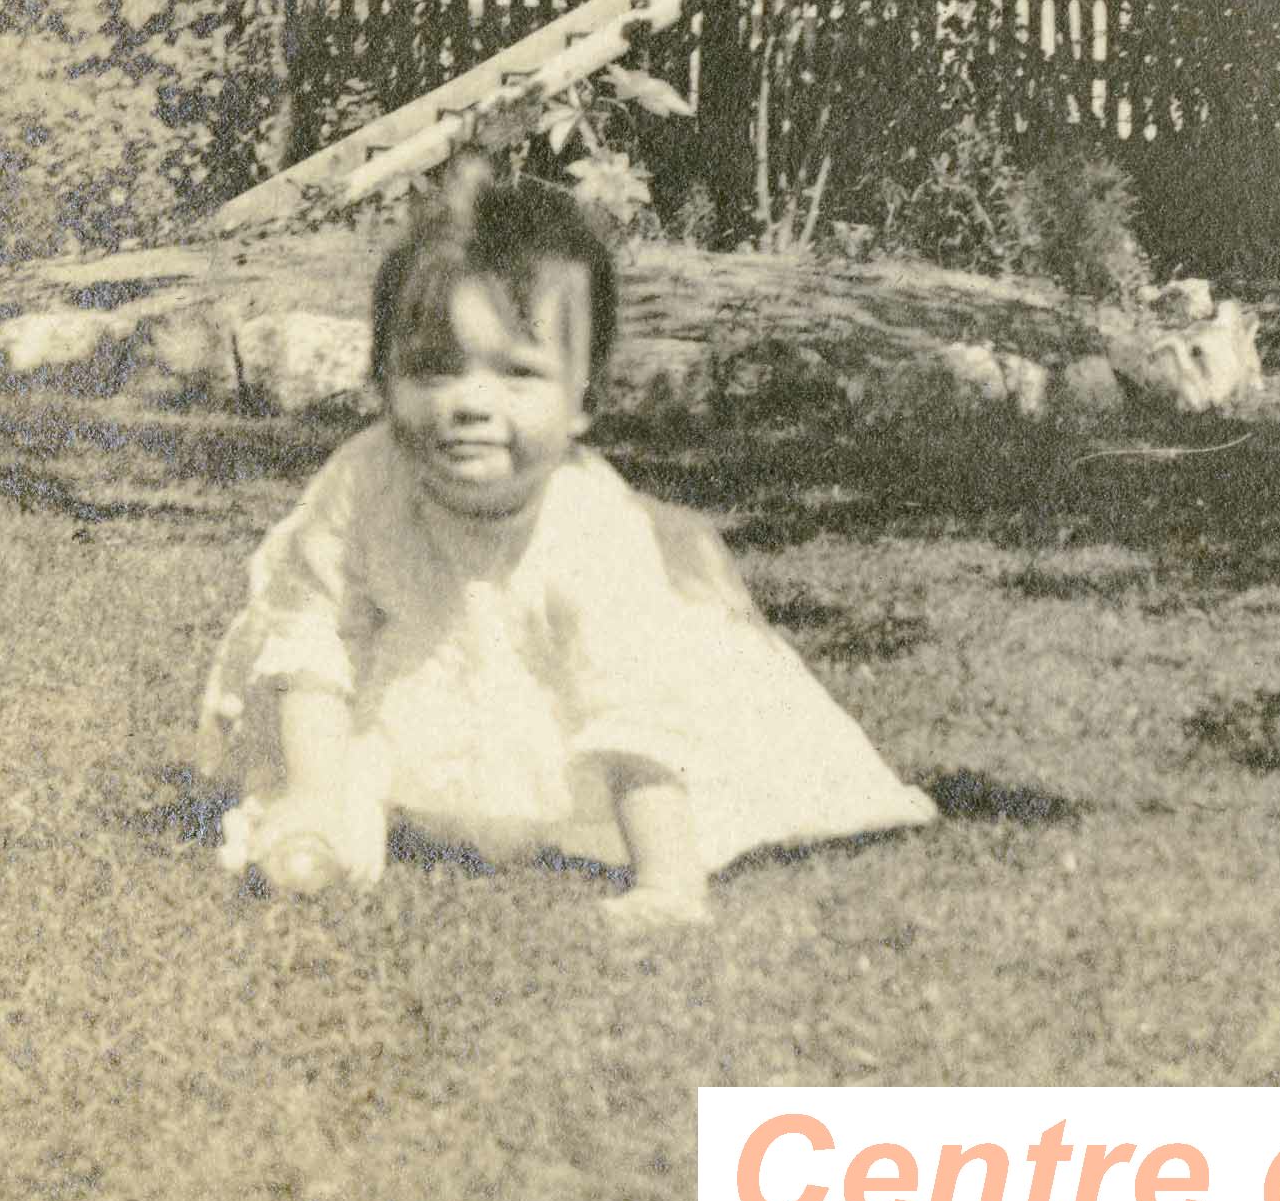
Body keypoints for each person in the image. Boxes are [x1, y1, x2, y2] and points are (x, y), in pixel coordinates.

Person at [192, 157, 938, 923]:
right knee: (329, 781)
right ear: (383, 379)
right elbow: (315, 634)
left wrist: (667, 885)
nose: (469, 403)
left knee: (668, 762)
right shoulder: (362, 482)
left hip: (580, 723)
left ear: (584, 399)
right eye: (432, 371)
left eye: (517, 375)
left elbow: (634, 701)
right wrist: (316, 791)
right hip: (424, 690)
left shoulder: (591, 528)